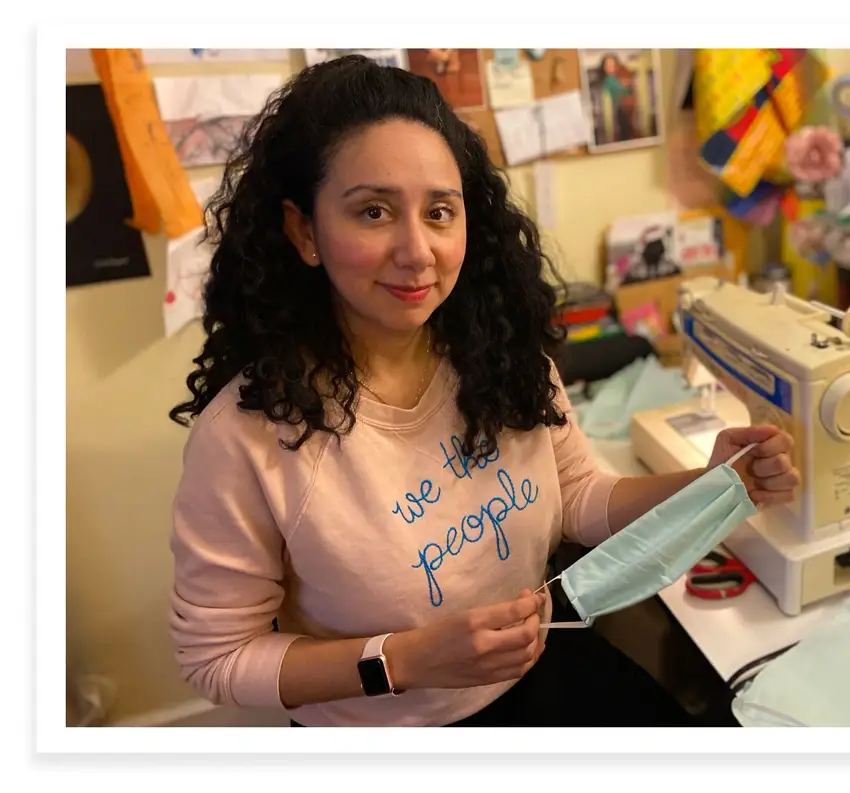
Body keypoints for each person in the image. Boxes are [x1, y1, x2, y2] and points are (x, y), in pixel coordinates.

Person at [167, 56, 801, 728]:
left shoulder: (499, 354)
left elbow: (579, 497)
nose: (418, 251)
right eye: (374, 211)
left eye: (440, 212)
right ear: (304, 231)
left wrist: (709, 482)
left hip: (543, 675)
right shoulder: (246, 436)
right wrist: (404, 659)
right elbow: (218, 657)